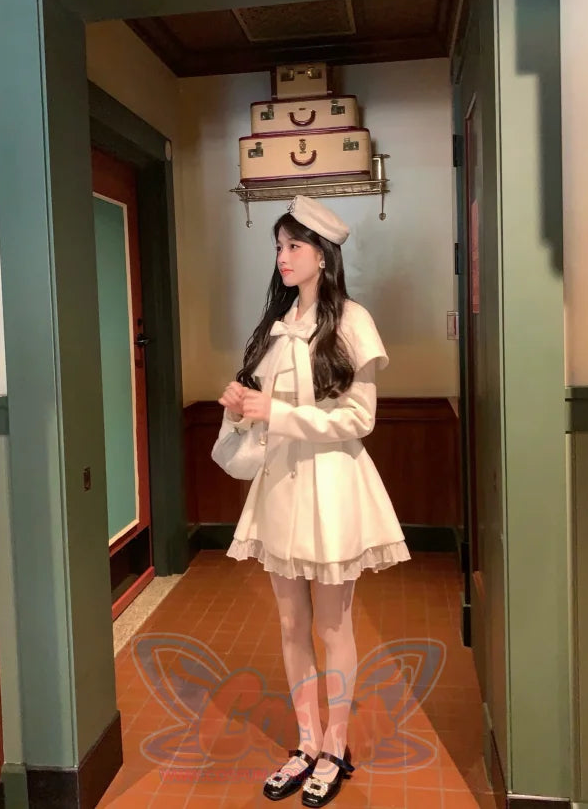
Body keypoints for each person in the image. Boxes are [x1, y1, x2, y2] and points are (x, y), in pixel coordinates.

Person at [217, 194, 411, 806]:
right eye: (279, 246)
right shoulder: (277, 329)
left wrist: (277, 412)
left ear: (323, 255)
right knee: (290, 623)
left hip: (331, 488)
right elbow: (261, 410)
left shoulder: (353, 321)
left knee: (332, 625)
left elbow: (359, 419)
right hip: (280, 486)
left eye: (294, 246)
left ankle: (335, 746)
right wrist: (241, 407)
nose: (283, 257)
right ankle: (305, 743)